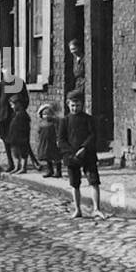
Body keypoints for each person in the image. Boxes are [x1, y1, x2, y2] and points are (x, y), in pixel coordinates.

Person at [58, 90, 105, 219]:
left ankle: (96, 208)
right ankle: (77, 209)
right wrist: (71, 152)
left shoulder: (88, 119)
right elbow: (61, 140)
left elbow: (93, 135)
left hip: (87, 154)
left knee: (94, 181)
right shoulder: (65, 121)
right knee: (75, 183)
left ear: (82, 105)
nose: (75, 108)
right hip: (72, 156)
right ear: (68, 104)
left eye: (77, 105)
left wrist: (84, 147)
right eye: (72, 105)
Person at [0, 71, 28, 171]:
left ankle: (20, 163)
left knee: (18, 140)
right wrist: (0, 112)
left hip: (15, 118)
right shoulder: (1, 84)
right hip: (4, 117)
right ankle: (10, 163)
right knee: (5, 139)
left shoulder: (20, 83)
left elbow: (26, 99)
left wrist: (19, 111)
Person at [4, 93, 33, 173]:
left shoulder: (23, 114)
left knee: (23, 153)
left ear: (18, 104)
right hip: (14, 137)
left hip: (21, 137)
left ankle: (23, 168)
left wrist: (24, 137)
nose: (11, 106)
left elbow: (26, 128)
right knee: (16, 153)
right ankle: (17, 167)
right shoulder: (15, 114)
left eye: (13, 105)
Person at [36, 103, 62, 178]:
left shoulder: (55, 122)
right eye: (44, 114)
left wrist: (58, 139)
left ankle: (58, 172)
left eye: (48, 114)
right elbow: (39, 131)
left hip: (53, 142)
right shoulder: (41, 123)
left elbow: (58, 131)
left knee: (56, 157)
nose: (46, 116)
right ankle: (50, 170)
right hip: (44, 142)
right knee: (47, 157)